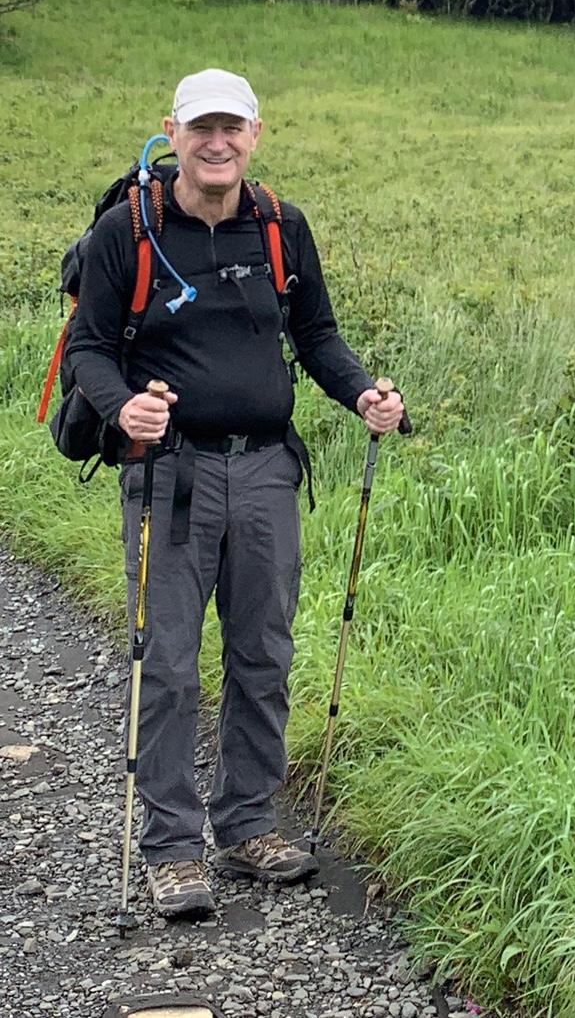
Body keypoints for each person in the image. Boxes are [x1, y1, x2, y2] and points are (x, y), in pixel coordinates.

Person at [69, 68, 406, 919]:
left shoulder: (282, 227)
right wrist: (126, 408)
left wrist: (362, 393)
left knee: (263, 653)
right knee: (171, 666)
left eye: (232, 128)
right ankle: (173, 848)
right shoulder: (128, 231)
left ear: (256, 133)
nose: (216, 144)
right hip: (169, 476)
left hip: (265, 470)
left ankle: (249, 823)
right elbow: (91, 350)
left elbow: (316, 333)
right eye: (200, 129)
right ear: (172, 133)